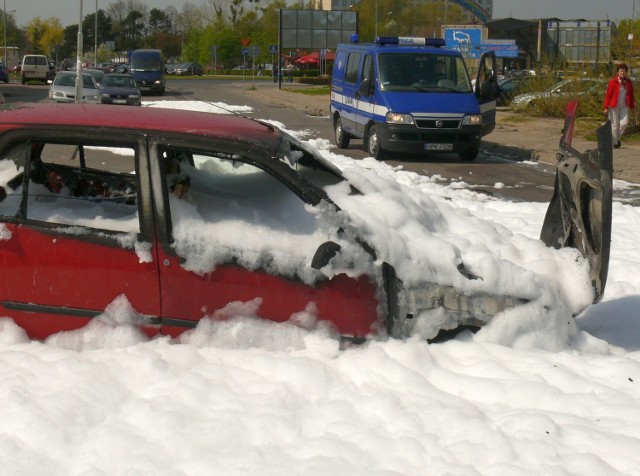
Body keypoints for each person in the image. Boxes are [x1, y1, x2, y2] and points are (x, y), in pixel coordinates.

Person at [604, 62, 635, 149]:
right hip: (613, 106)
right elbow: (608, 95)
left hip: (624, 106)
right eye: (621, 71)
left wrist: (632, 106)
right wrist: (606, 107)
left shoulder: (628, 82)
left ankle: (615, 140)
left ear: (626, 72)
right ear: (618, 72)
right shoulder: (613, 82)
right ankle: (615, 143)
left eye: (624, 71)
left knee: (624, 123)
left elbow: (631, 95)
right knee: (614, 126)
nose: (622, 73)